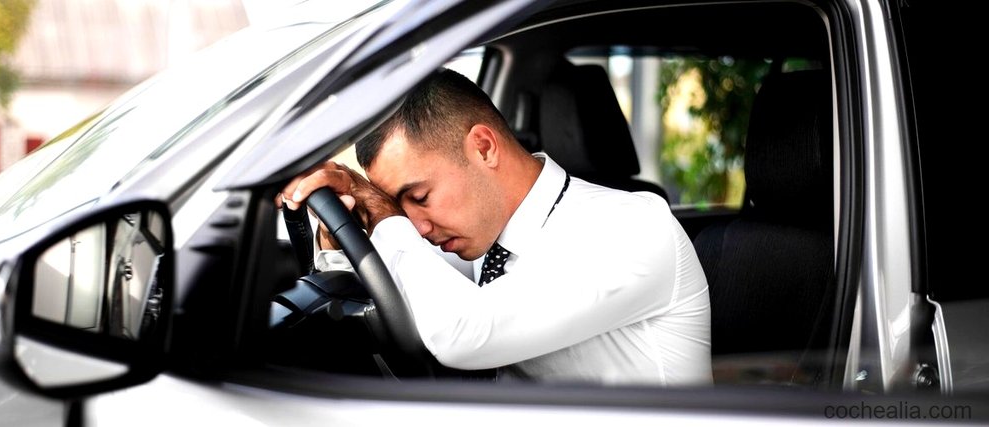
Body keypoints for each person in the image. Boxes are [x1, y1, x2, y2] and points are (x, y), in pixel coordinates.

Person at [278, 68, 711, 386]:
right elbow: (393, 284)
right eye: (402, 205)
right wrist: (342, 234)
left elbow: (464, 332)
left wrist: (384, 214)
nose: (420, 227)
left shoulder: (630, 228)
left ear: (483, 148)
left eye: (420, 197)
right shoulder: (479, 237)